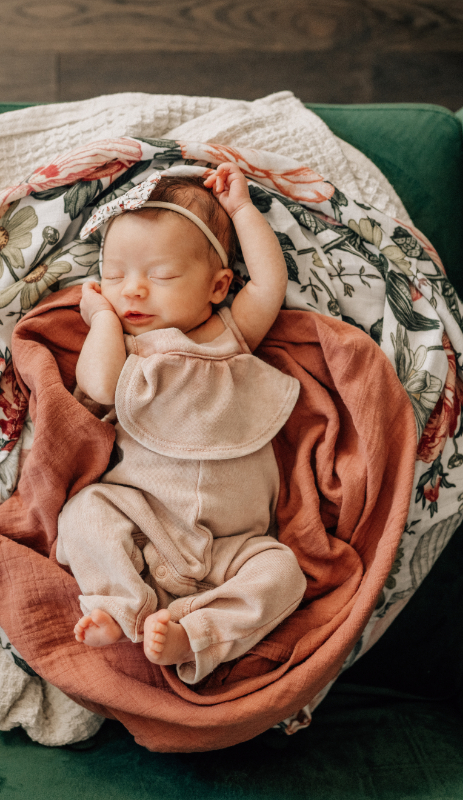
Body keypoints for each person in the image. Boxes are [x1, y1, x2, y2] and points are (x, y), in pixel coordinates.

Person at [54, 163, 307, 684]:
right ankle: (120, 605)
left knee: (284, 575)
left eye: (162, 275)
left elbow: (268, 280)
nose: (134, 291)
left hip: (233, 546)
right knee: (85, 511)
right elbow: (99, 389)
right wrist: (102, 322)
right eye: (116, 276)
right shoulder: (126, 352)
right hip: (147, 525)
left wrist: (240, 210)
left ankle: (199, 634)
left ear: (218, 286)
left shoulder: (233, 335)